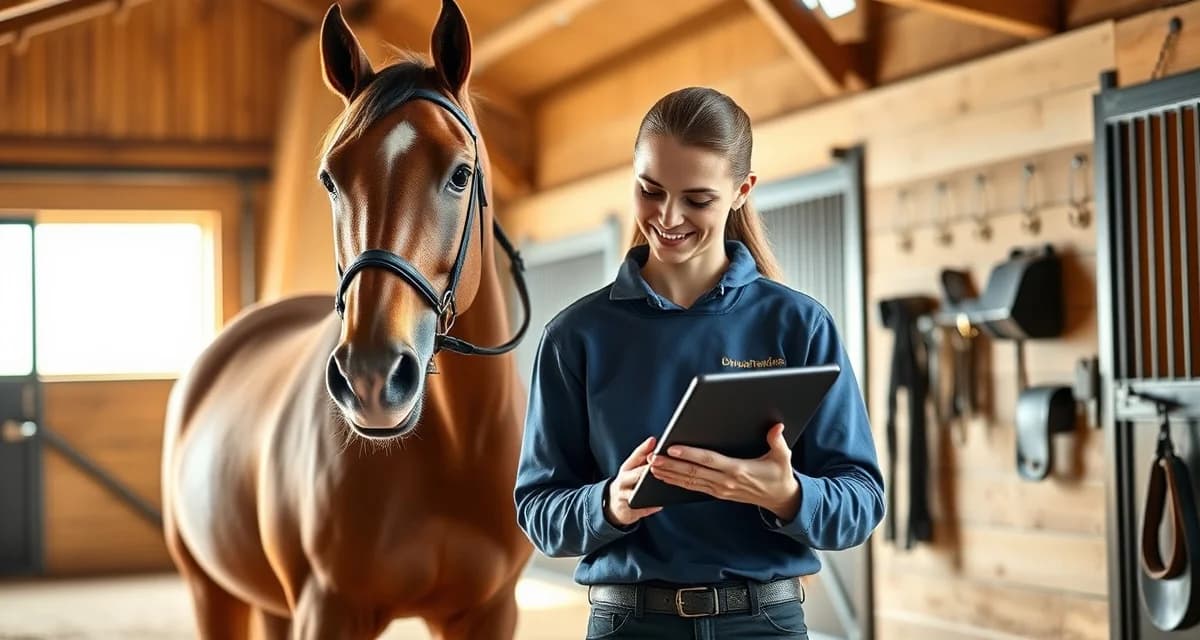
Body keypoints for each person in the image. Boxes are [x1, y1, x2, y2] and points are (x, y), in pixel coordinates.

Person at [513, 86, 885, 639]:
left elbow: (862, 499)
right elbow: (538, 510)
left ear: (741, 191)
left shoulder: (800, 326)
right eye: (650, 190)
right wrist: (607, 504)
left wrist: (787, 494)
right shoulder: (575, 337)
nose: (668, 217)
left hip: (765, 625)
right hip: (628, 626)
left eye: (697, 199)